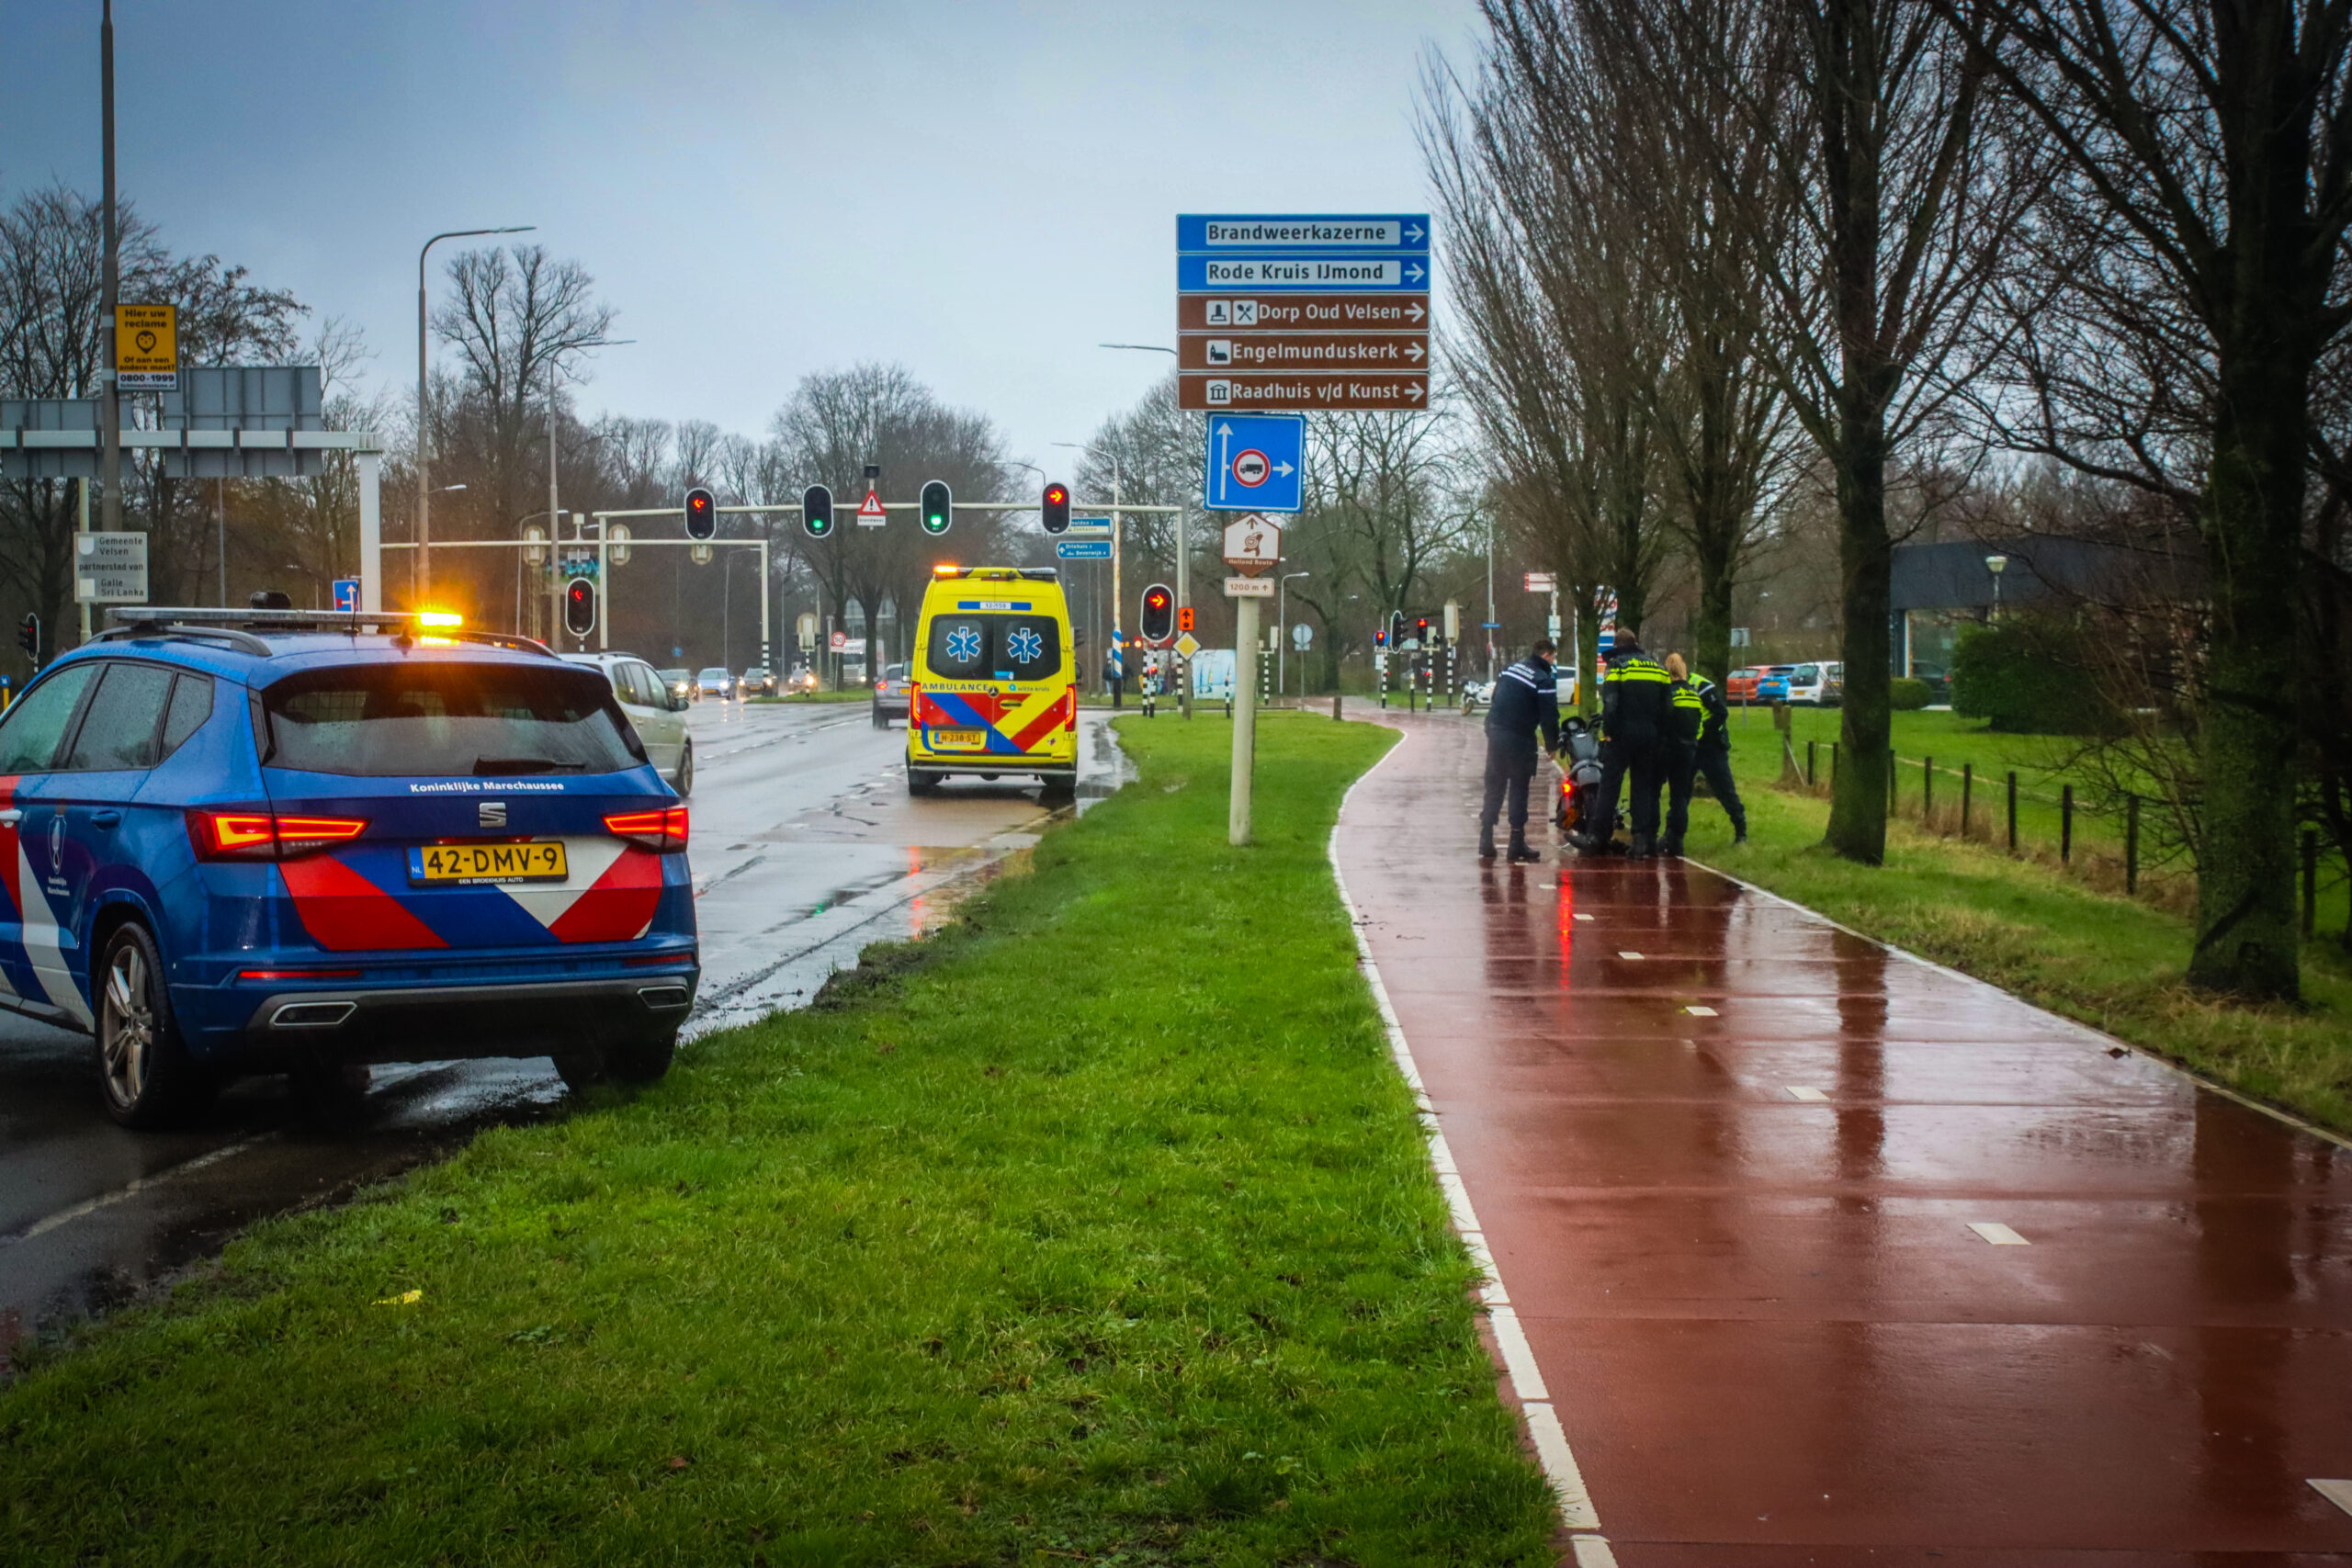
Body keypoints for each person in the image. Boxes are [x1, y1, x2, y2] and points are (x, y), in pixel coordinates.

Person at [1479, 638, 1562, 863]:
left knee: (1494, 785)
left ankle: (1486, 838)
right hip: (1520, 738)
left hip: (1497, 733)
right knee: (1518, 786)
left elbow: (1496, 698)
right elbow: (1549, 715)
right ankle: (1516, 843)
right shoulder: (1543, 679)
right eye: (1553, 658)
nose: (1553, 663)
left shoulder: (1511, 669)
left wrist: (1491, 727)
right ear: (1546, 656)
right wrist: (1552, 744)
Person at [1594, 628, 1675, 856]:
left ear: (1617, 645)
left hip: (1621, 734)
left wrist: (1608, 731)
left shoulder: (1617, 666)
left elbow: (1610, 703)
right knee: (1643, 786)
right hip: (1650, 735)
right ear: (1636, 643)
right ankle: (1640, 841)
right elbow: (1668, 708)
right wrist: (1659, 733)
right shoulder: (1658, 668)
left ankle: (1598, 836)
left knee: (1610, 785)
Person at [1671, 655, 1747, 849]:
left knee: (1724, 788)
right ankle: (1673, 835)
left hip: (1710, 746)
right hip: (1688, 746)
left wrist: (1702, 730)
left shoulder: (1700, 685)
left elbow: (1721, 712)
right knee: (1681, 791)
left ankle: (1741, 830)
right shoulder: (1671, 688)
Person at [1658, 653, 1707, 855]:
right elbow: (1699, 724)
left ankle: (1652, 836)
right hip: (1688, 751)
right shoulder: (1694, 695)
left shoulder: (1667, 693)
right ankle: (1677, 839)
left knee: (1653, 791)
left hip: (1668, 748)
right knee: (1680, 796)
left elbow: (1661, 720)